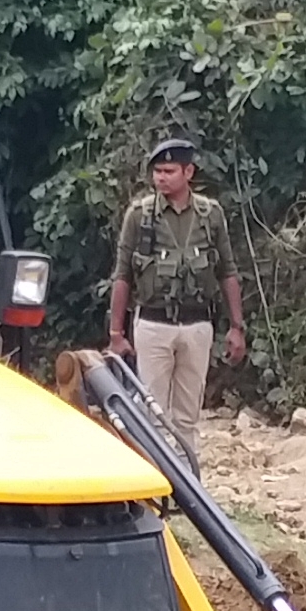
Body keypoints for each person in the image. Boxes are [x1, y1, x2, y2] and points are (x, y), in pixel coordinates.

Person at [107, 136, 244, 463]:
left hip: (197, 323)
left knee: (188, 414)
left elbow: (228, 270)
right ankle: (152, 477)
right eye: (157, 171)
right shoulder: (139, 216)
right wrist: (116, 333)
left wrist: (237, 326)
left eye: (169, 171)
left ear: (188, 172)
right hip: (154, 324)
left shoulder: (211, 215)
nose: (161, 178)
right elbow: (122, 274)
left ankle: (188, 482)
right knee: (152, 410)